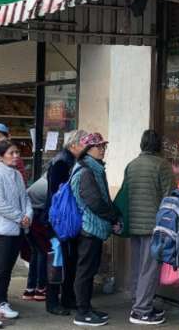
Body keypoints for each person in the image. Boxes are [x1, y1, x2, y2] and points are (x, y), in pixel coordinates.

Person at [122, 129, 174, 325]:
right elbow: (170, 196)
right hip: (153, 224)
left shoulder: (131, 165)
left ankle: (138, 301)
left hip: (133, 223)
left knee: (137, 266)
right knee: (149, 268)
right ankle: (142, 310)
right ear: (159, 145)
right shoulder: (162, 165)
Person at [0, 140, 32, 329]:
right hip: (0, 230)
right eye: (11, 153)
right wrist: (20, 217)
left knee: (7, 269)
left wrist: (27, 215)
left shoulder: (17, 174)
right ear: (0, 156)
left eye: (17, 152)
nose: (16, 156)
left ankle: (0, 302)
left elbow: (25, 197)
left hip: (17, 228)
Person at [71, 132, 121, 327]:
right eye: (98, 146)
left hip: (94, 227)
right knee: (85, 271)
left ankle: (87, 308)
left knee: (89, 270)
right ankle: (82, 312)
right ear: (87, 150)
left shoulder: (94, 168)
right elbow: (95, 202)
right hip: (88, 228)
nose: (102, 150)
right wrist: (113, 217)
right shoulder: (86, 171)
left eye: (103, 147)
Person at [44, 129, 88, 315]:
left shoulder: (71, 161)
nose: (87, 146)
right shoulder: (62, 162)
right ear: (73, 144)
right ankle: (53, 302)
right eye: (84, 143)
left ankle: (67, 298)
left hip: (65, 218)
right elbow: (57, 193)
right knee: (58, 261)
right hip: (60, 219)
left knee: (69, 260)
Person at [23, 170, 49, 302]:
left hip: (31, 220)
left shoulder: (41, 182)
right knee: (42, 253)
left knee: (35, 253)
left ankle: (30, 289)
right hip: (38, 219)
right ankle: (40, 288)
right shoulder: (48, 184)